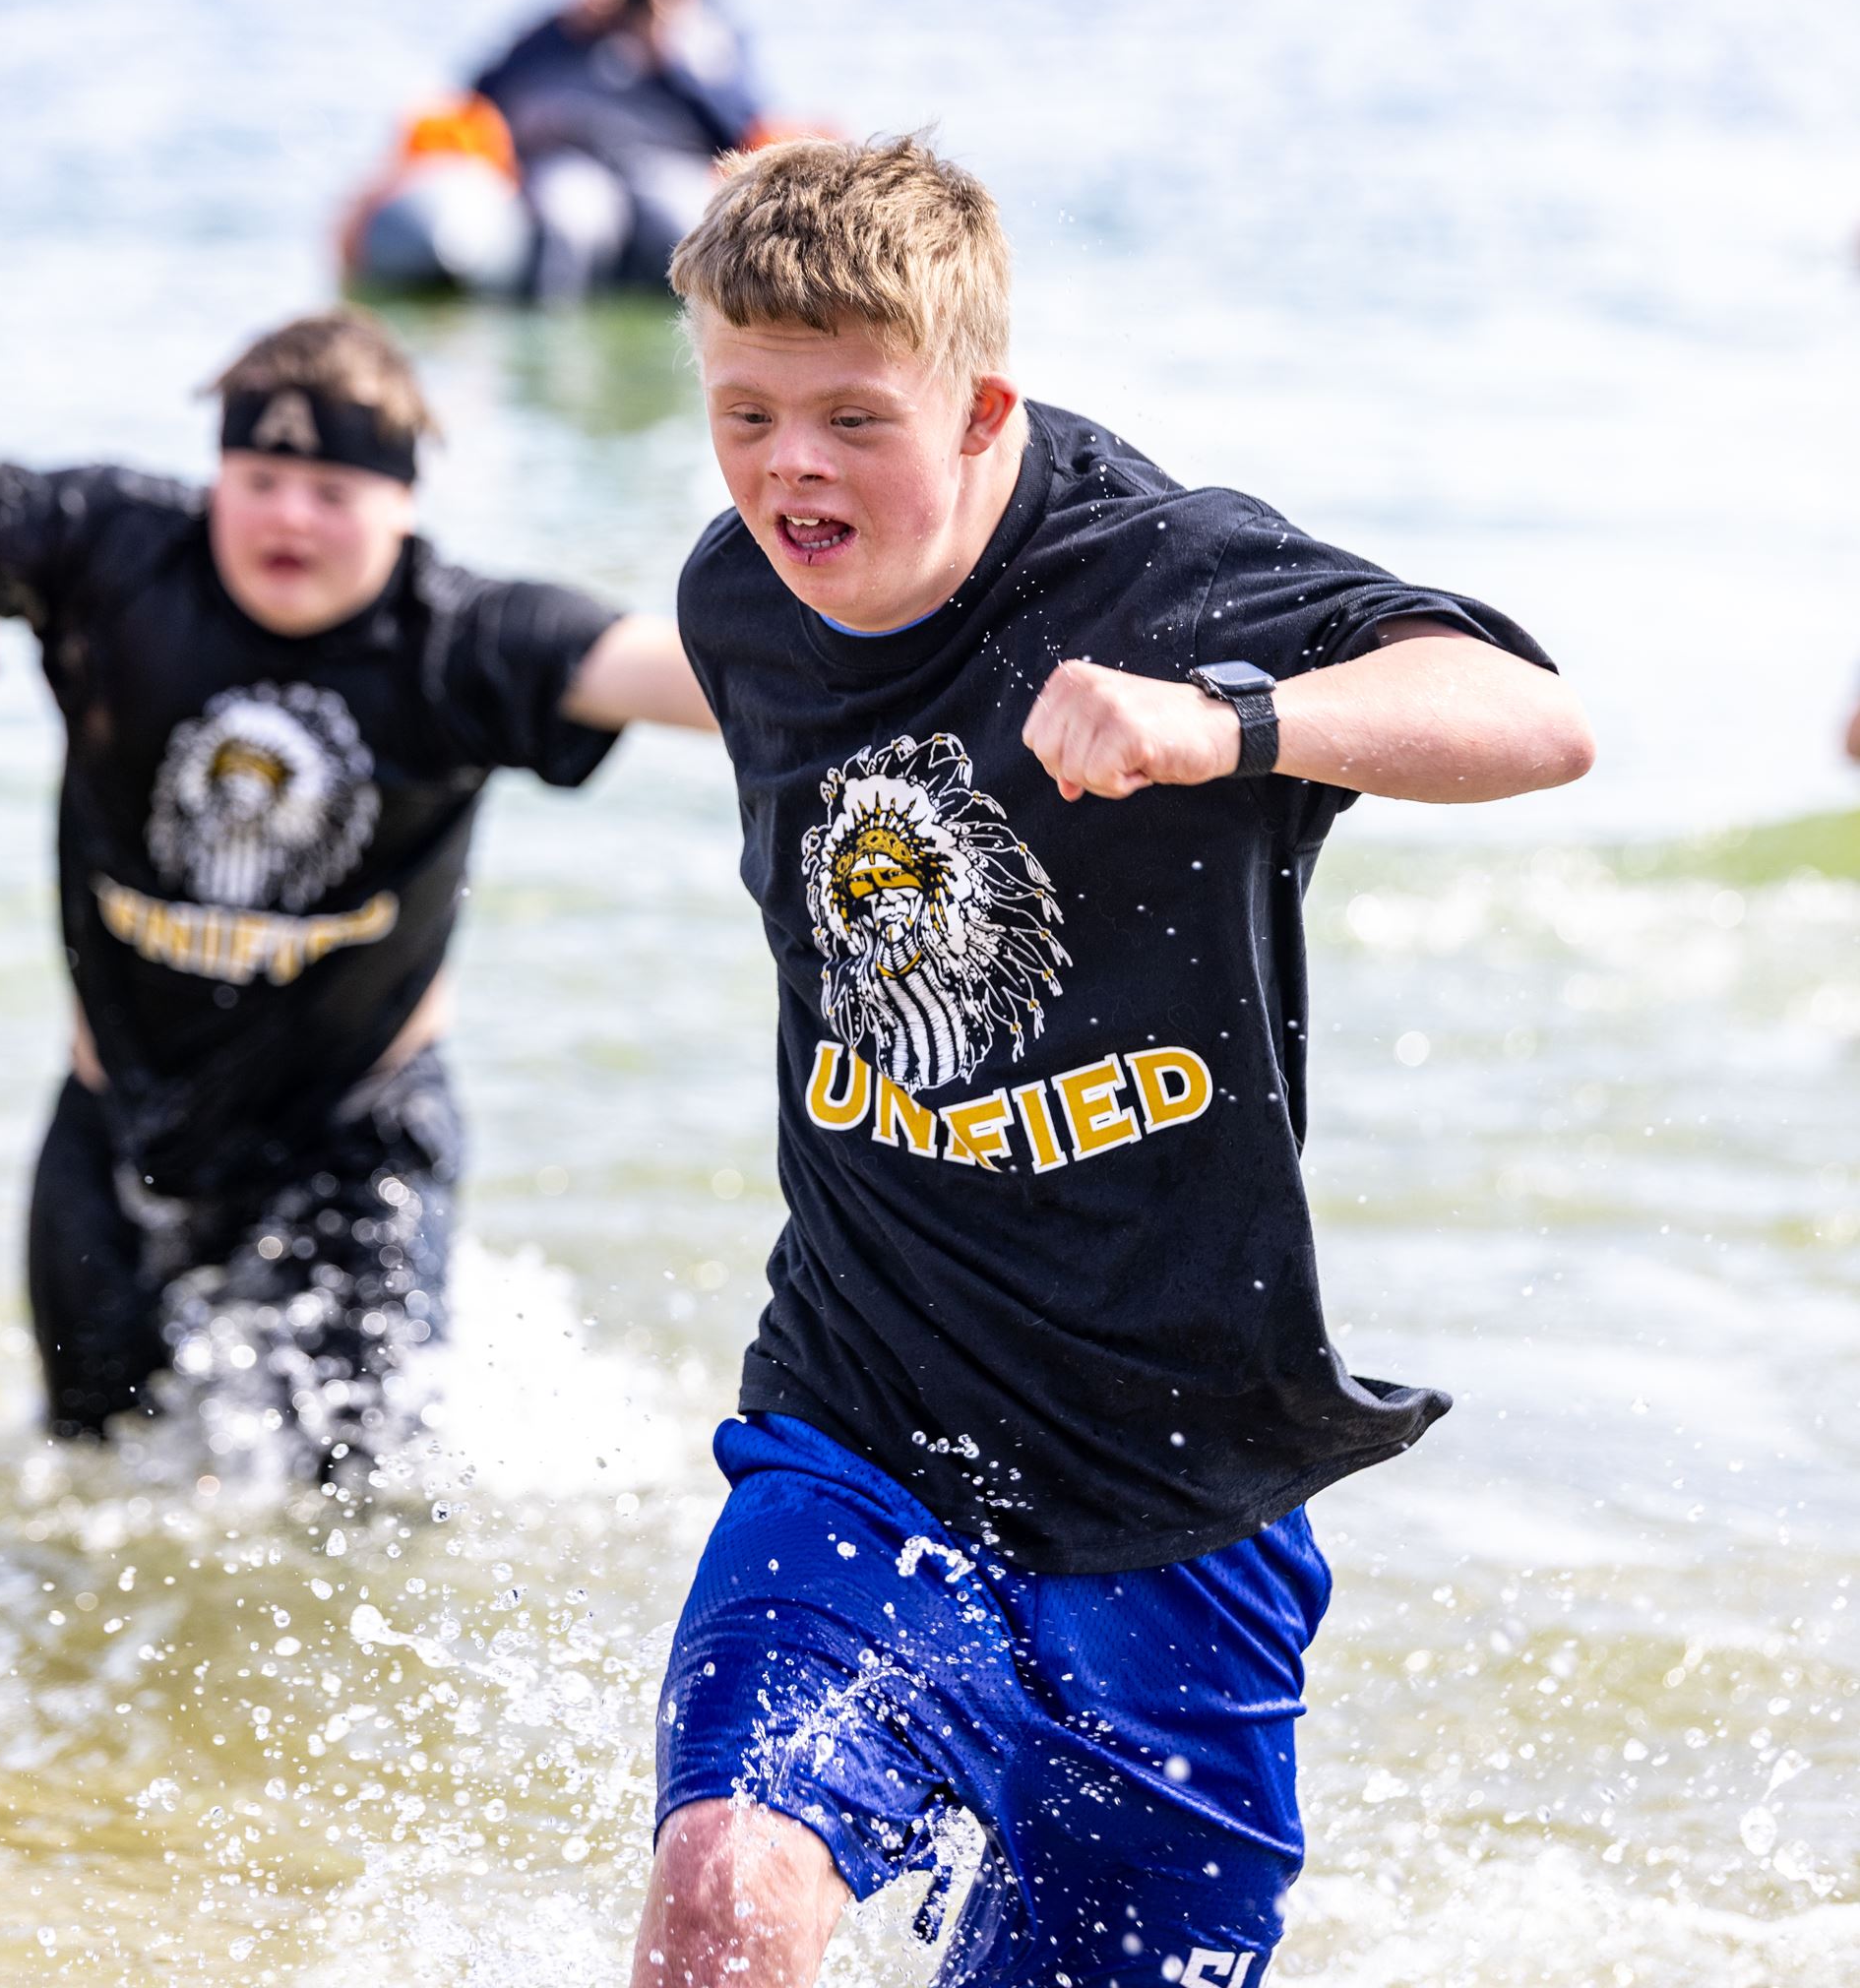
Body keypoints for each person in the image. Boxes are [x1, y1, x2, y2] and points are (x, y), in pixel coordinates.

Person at [633, 138, 1595, 1988]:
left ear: (986, 404)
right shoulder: (738, 603)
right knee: (725, 1895)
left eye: (852, 418)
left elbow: (1535, 723)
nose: (788, 471)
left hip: (1182, 1481)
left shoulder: (1164, 574)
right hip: (864, 1427)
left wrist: (1226, 729)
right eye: (744, 415)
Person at [0, 307, 713, 1477]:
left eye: (332, 491)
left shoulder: (460, 638)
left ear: (403, 502)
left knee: (357, 1517)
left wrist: (919, 667)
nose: (289, 514)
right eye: (261, 477)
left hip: (356, 1144)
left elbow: (690, 674)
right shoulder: (121, 556)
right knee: (81, 1489)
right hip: (114, 1131)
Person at [471, 0, 761, 299]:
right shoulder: (562, 30)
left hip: (670, 162)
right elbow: (484, 98)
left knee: (685, 221)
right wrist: (570, 29)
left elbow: (742, 128)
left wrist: (671, 54)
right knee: (571, 219)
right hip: (573, 159)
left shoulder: (705, 37)